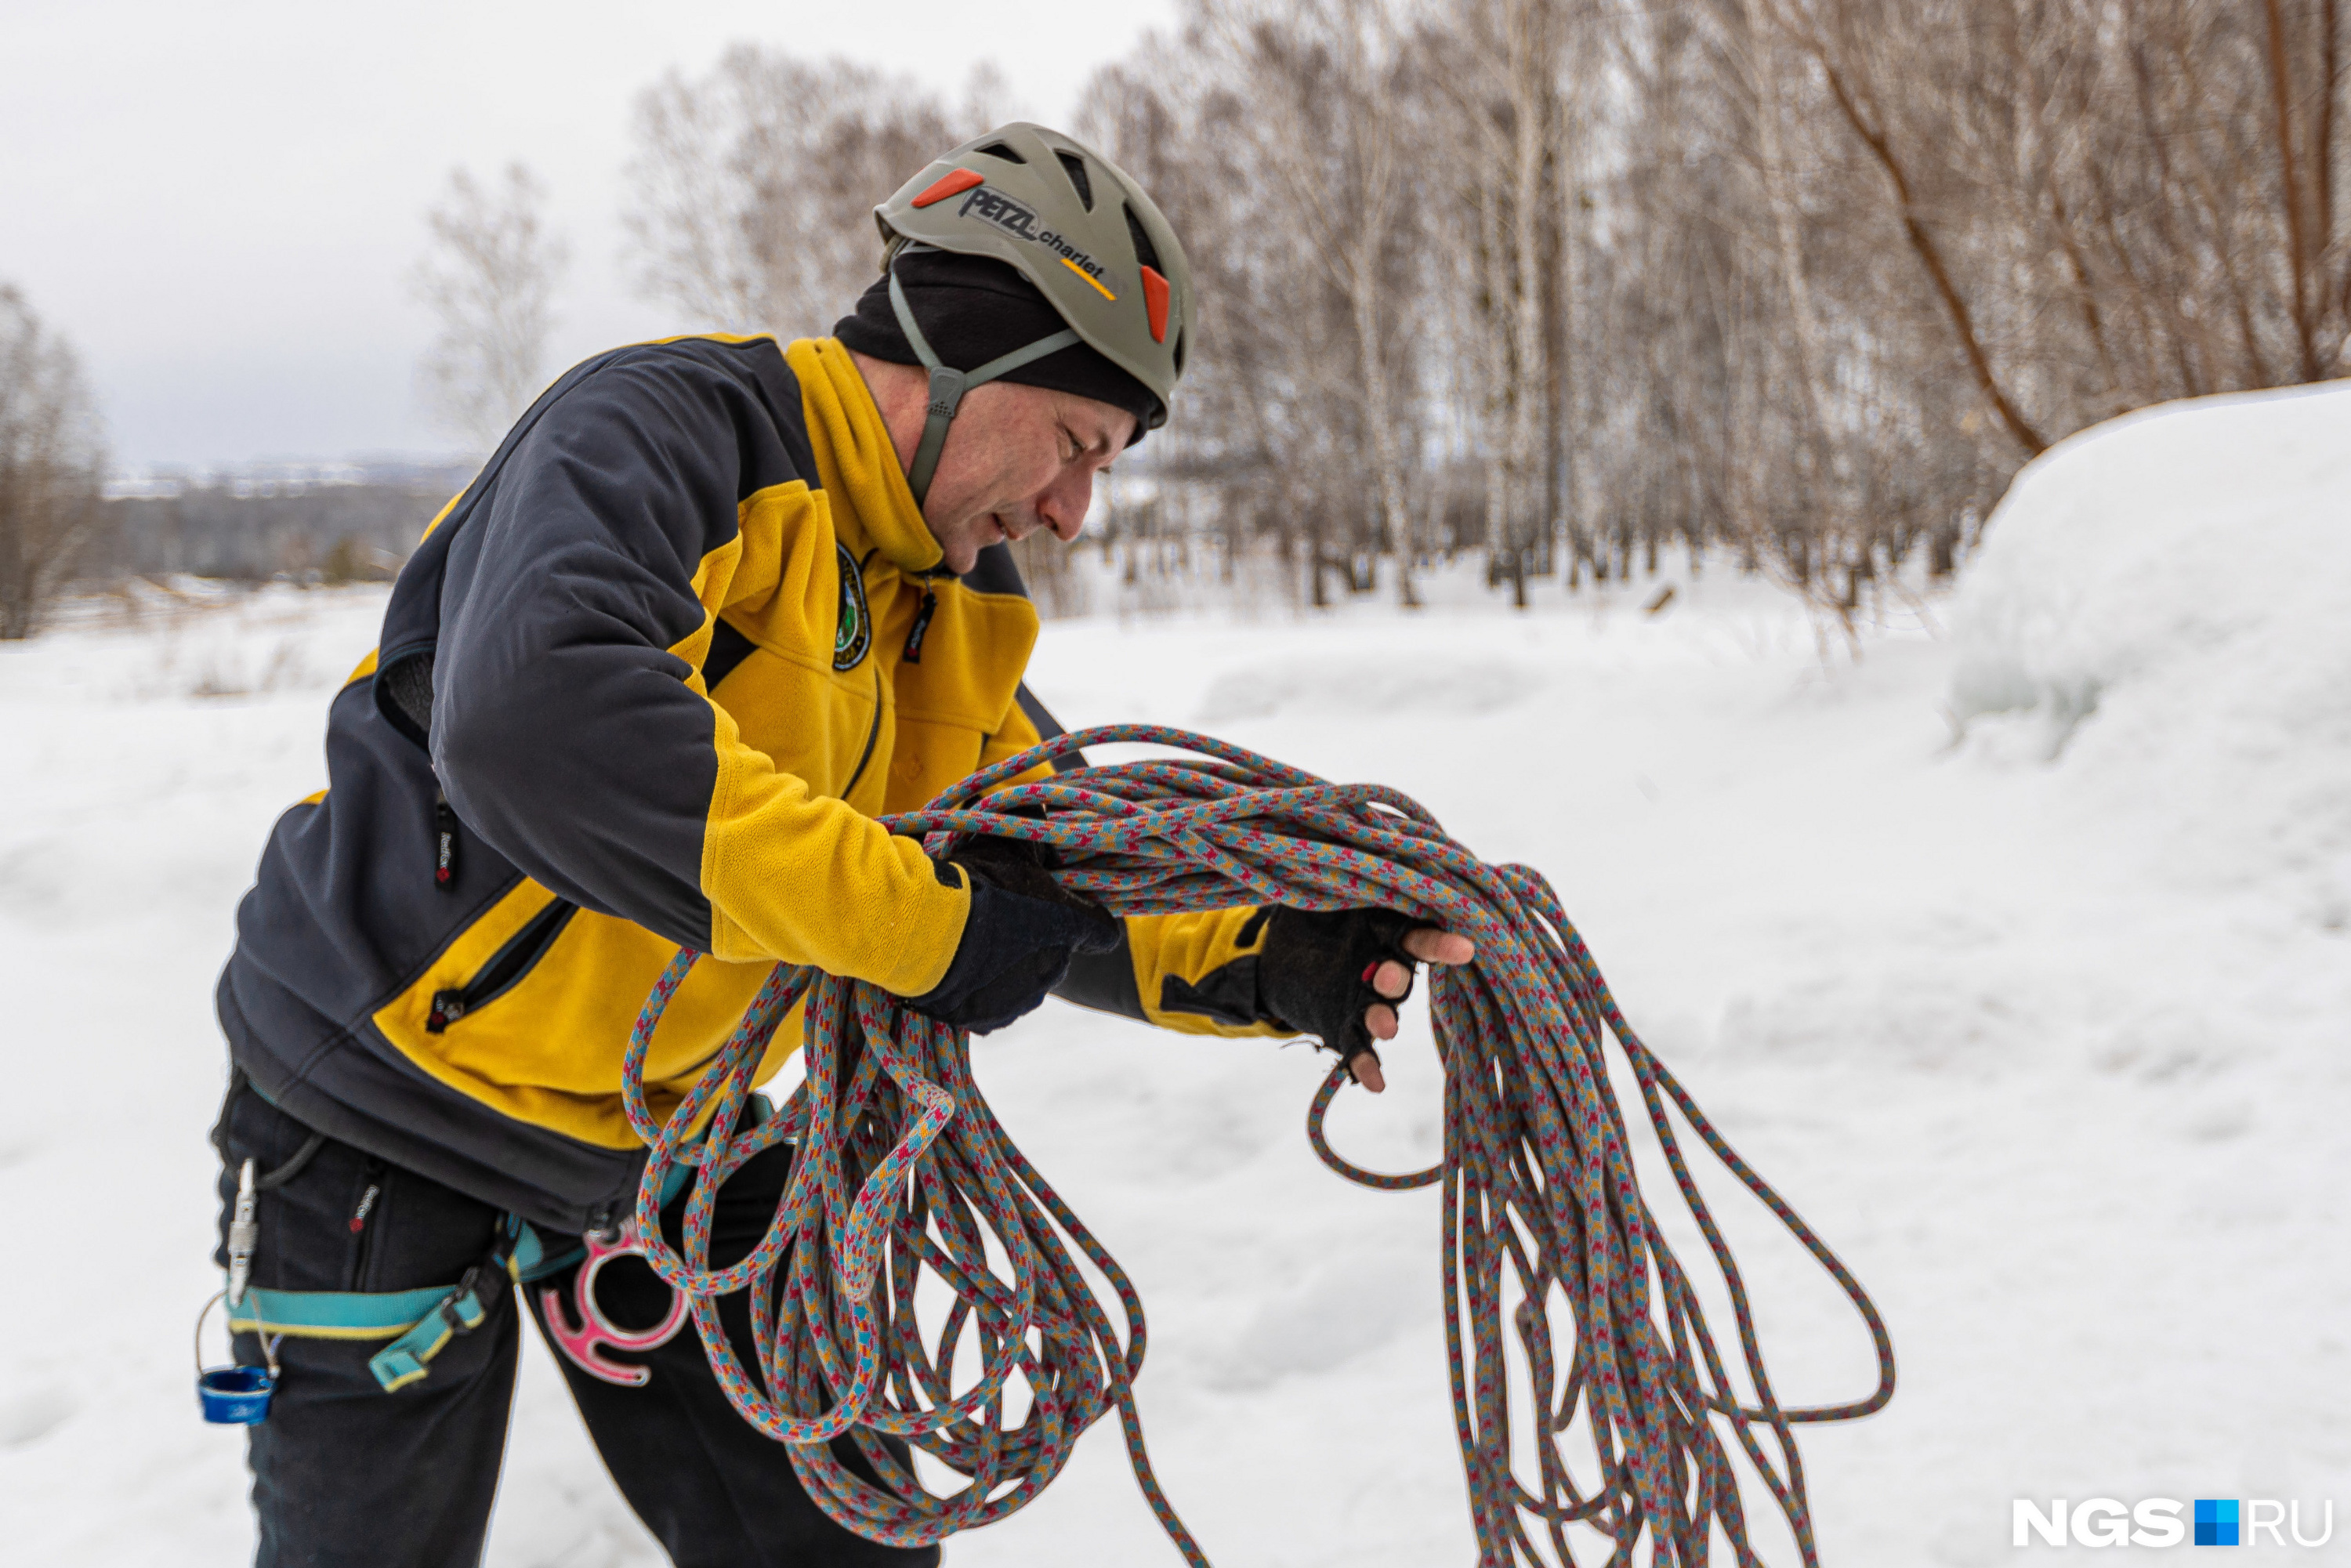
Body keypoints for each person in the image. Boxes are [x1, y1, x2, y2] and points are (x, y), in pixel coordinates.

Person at [210, 123, 1472, 1568]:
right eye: (1074, 444)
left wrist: (1272, 954)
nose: (1071, 511)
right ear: (963, 351)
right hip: (375, 1112)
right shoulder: (673, 434)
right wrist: (924, 928)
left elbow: (1041, 853)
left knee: (845, 1544)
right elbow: (539, 721)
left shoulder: (949, 599)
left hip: (665, 1145)